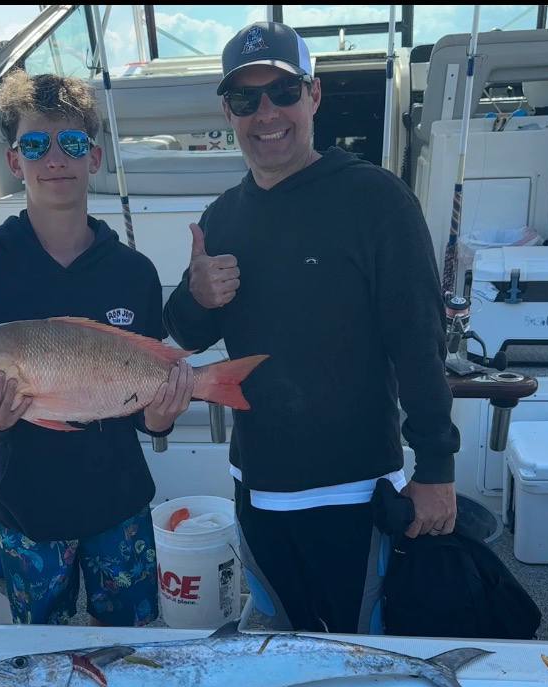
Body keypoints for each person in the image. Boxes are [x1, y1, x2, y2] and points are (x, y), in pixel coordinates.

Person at [164, 22, 460, 635]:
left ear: (314, 96)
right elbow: (188, 334)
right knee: (282, 650)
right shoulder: (222, 216)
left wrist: (435, 468)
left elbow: (419, 343)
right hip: (257, 490)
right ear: (229, 111)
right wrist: (195, 296)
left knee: (366, 656)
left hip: (355, 493)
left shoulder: (376, 200)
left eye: (282, 91)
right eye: (246, 98)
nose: (265, 112)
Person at [0, 71, 193, 627]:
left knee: (132, 645)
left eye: (71, 143)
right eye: (35, 144)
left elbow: (141, 401)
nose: (54, 157)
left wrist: (159, 420)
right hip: (26, 509)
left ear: (94, 157)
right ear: (16, 161)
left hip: (121, 502)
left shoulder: (134, 273)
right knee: (37, 656)